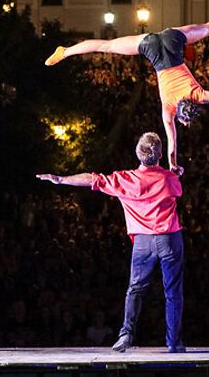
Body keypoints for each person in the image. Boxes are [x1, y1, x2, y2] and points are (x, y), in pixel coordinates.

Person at [45, 15, 209, 170]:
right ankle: (66, 52)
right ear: (181, 114)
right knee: (107, 46)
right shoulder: (168, 109)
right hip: (152, 48)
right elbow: (171, 142)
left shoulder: (199, 94)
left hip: (172, 41)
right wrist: (173, 167)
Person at [37, 131, 186, 353]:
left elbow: (92, 179)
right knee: (172, 292)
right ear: (160, 154)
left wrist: (61, 179)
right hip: (169, 240)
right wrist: (175, 172)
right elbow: (176, 187)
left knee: (135, 289)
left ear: (138, 154)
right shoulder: (168, 179)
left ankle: (126, 334)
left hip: (143, 243)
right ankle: (174, 343)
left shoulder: (125, 180)